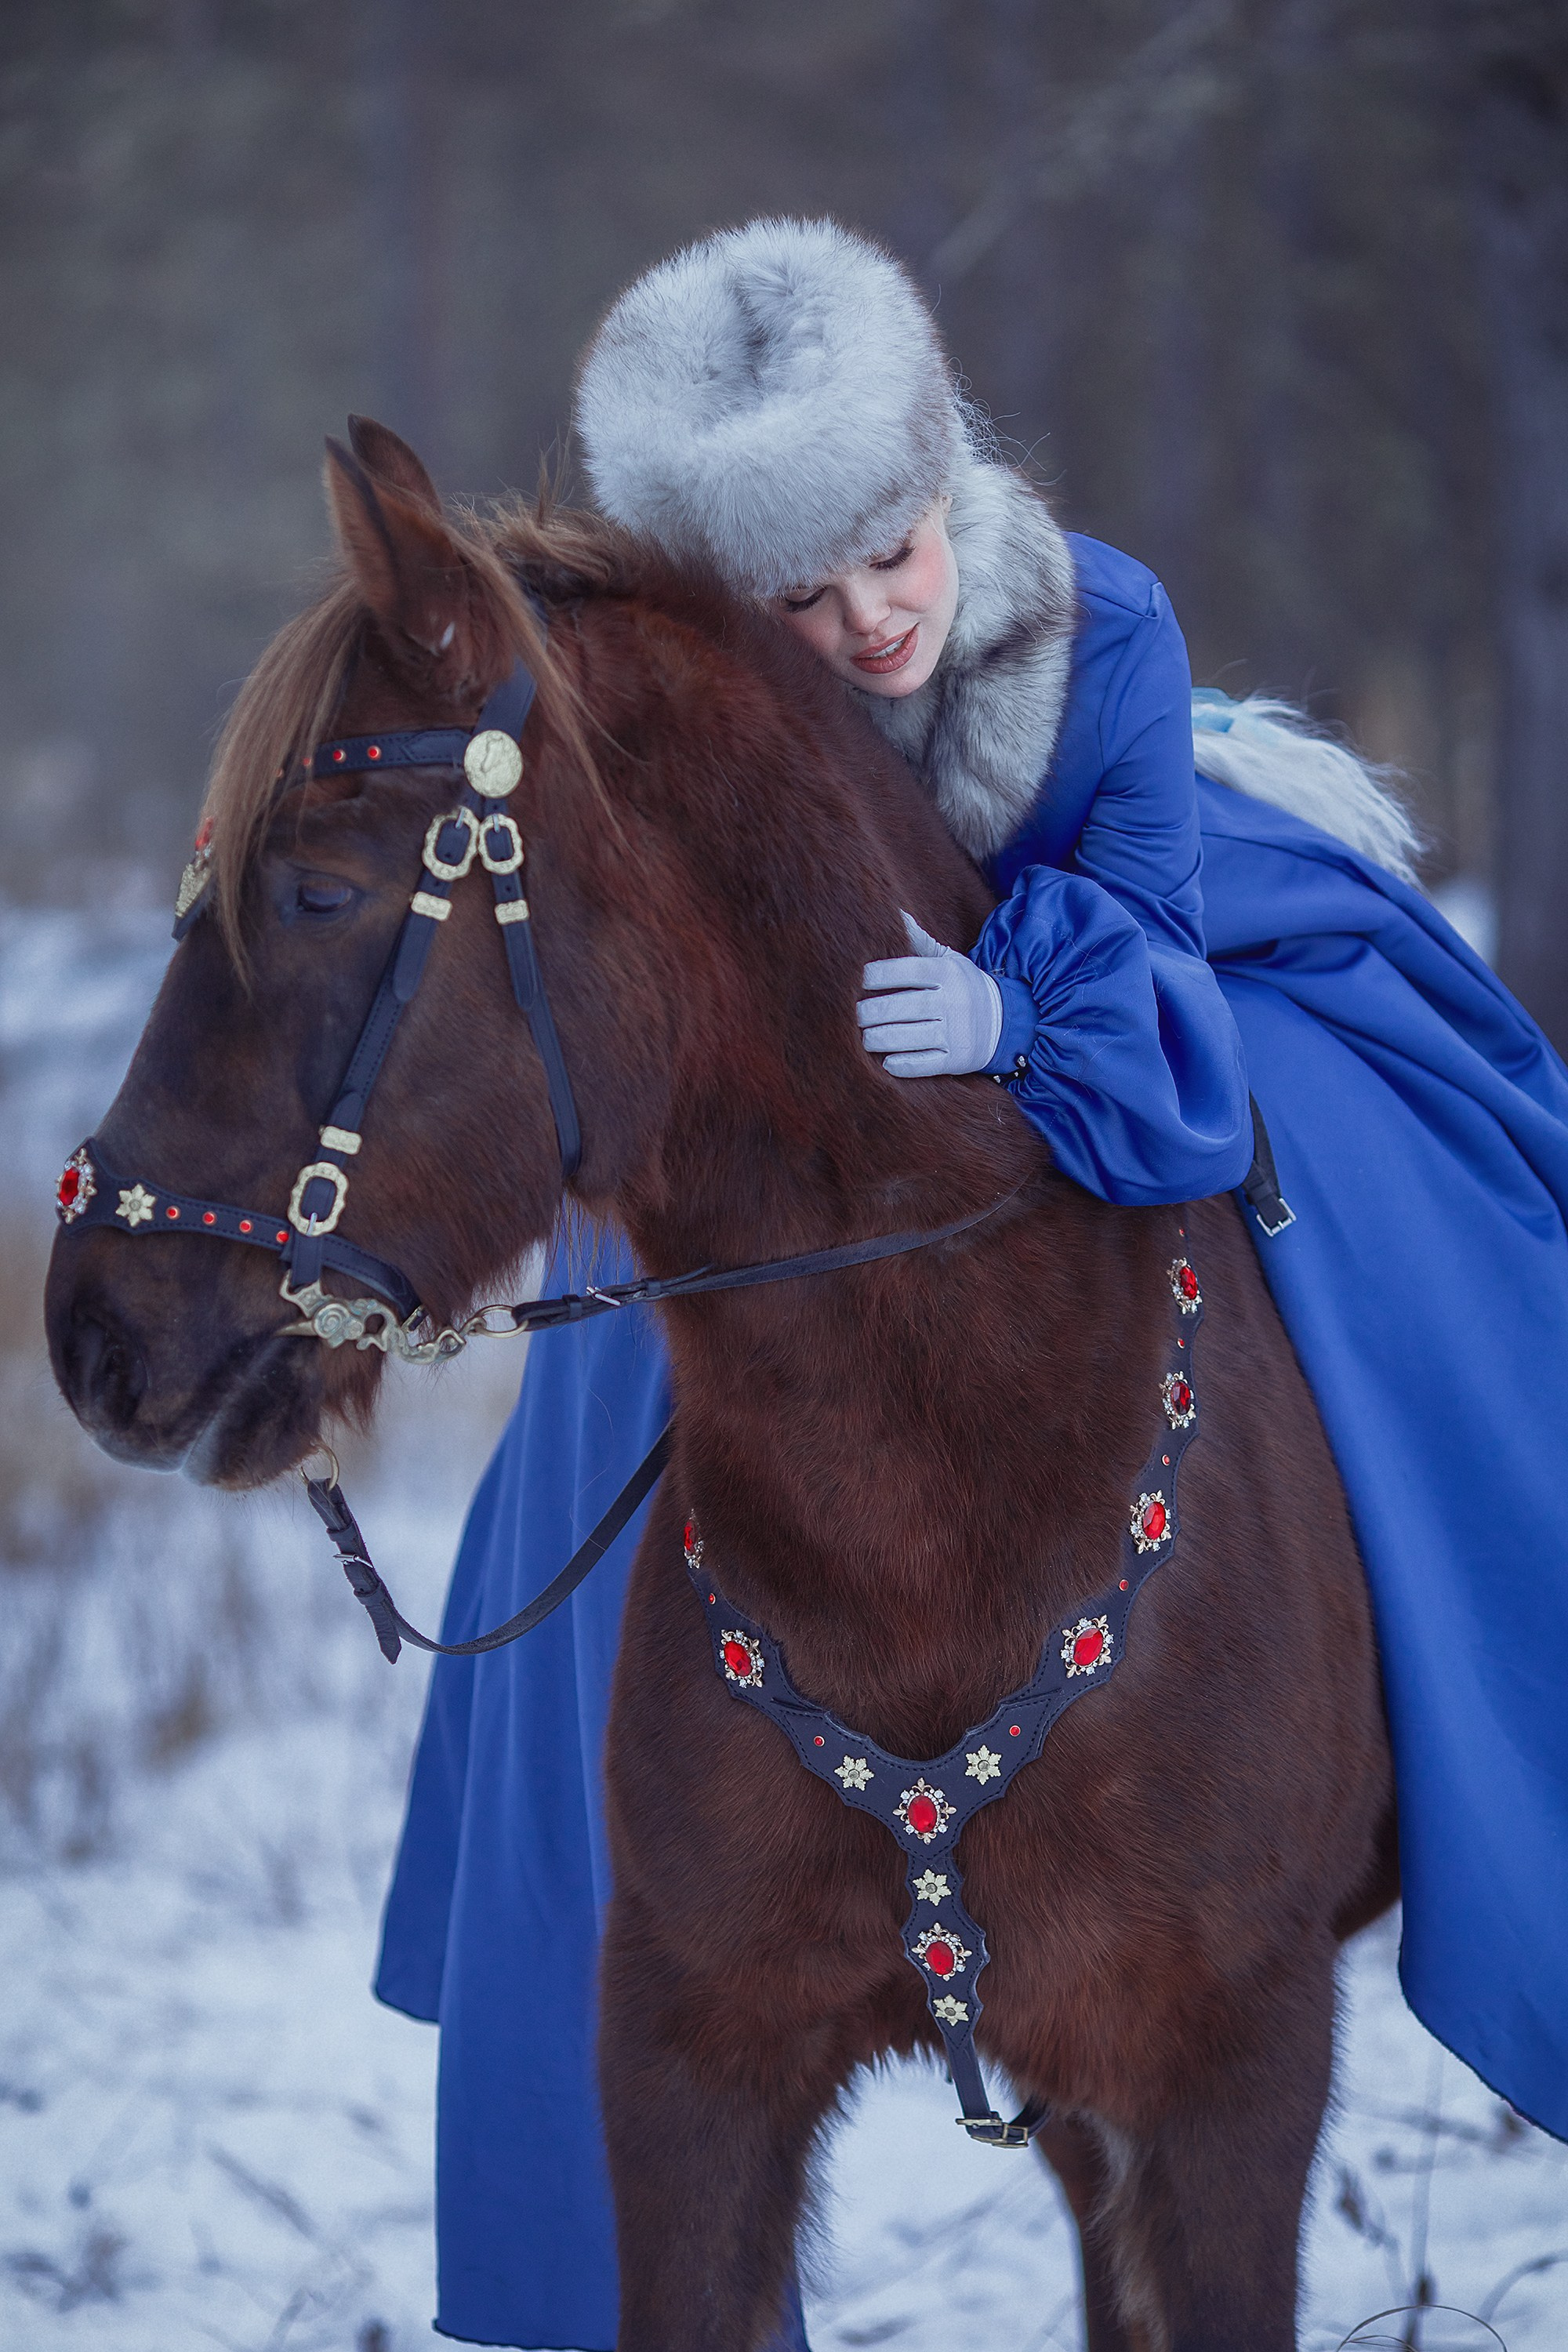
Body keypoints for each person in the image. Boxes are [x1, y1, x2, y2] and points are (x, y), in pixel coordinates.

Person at [374, 218, 1568, 2352]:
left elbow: (1143, 928)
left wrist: (1024, 1024)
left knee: (1383, 1179)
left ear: (945, 484)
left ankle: (1462, 1623)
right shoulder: (684, 725)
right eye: (803, 604)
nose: (868, 621)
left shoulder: (1094, 625)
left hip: (1111, 987)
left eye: (890, 557)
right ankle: (588, 1874)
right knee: (605, 1403)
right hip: (794, 1124)